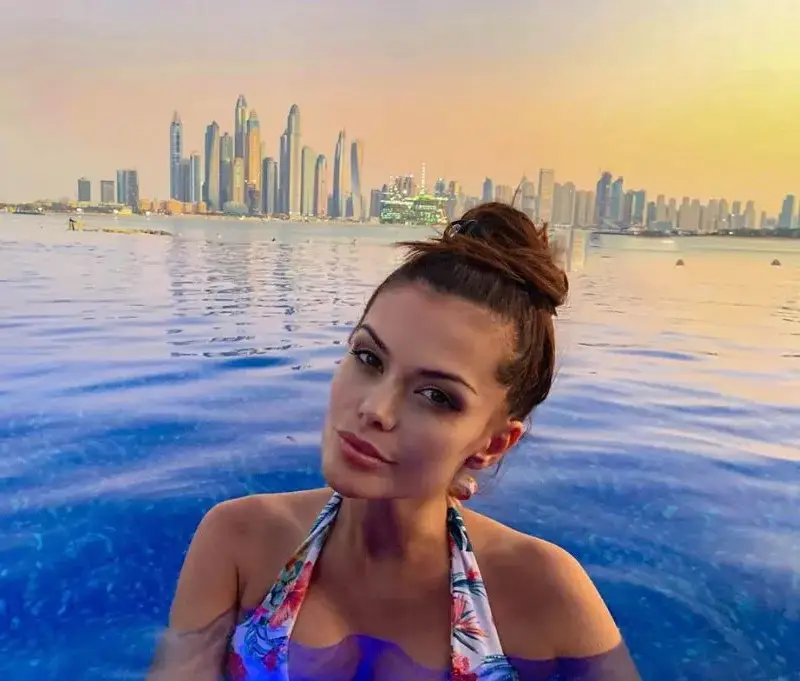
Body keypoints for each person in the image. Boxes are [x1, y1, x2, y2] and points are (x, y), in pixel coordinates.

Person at [148, 202, 641, 680]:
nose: (376, 409)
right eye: (368, 358)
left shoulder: (543, 592)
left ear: (493, 445)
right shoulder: (240, 540)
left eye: (436, 396)